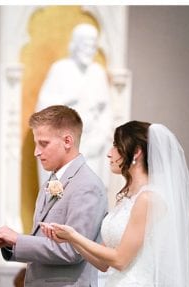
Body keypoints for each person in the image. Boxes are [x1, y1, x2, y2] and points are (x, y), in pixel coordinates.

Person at [40, 121, 189, 287]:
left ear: (136, 152)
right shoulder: (126, 198)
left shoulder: (148, 199)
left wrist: (74, 235)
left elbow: (120, 260)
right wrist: (70, 240)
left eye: (115, 146)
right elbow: (103, 263)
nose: (109, 154)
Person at [0, 105, 107, 287]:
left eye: (44, 143)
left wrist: (19, 239)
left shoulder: (87, 185)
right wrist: (8, 244)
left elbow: (73, 251)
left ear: (67, 140)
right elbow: (43, 242)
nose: (36, 152)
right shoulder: (52, 181)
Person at [36, 23, 114, 188]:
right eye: (86, 44)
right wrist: (67, 99)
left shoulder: (97, 73)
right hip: (65, 145)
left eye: (93, 45)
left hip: (92, 144)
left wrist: (101, 137)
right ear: (76, 44)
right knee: (63, 195)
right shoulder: (60, 69)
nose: (90, 50)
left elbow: (107, 111)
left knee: (90, 193)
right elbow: (43, 107)